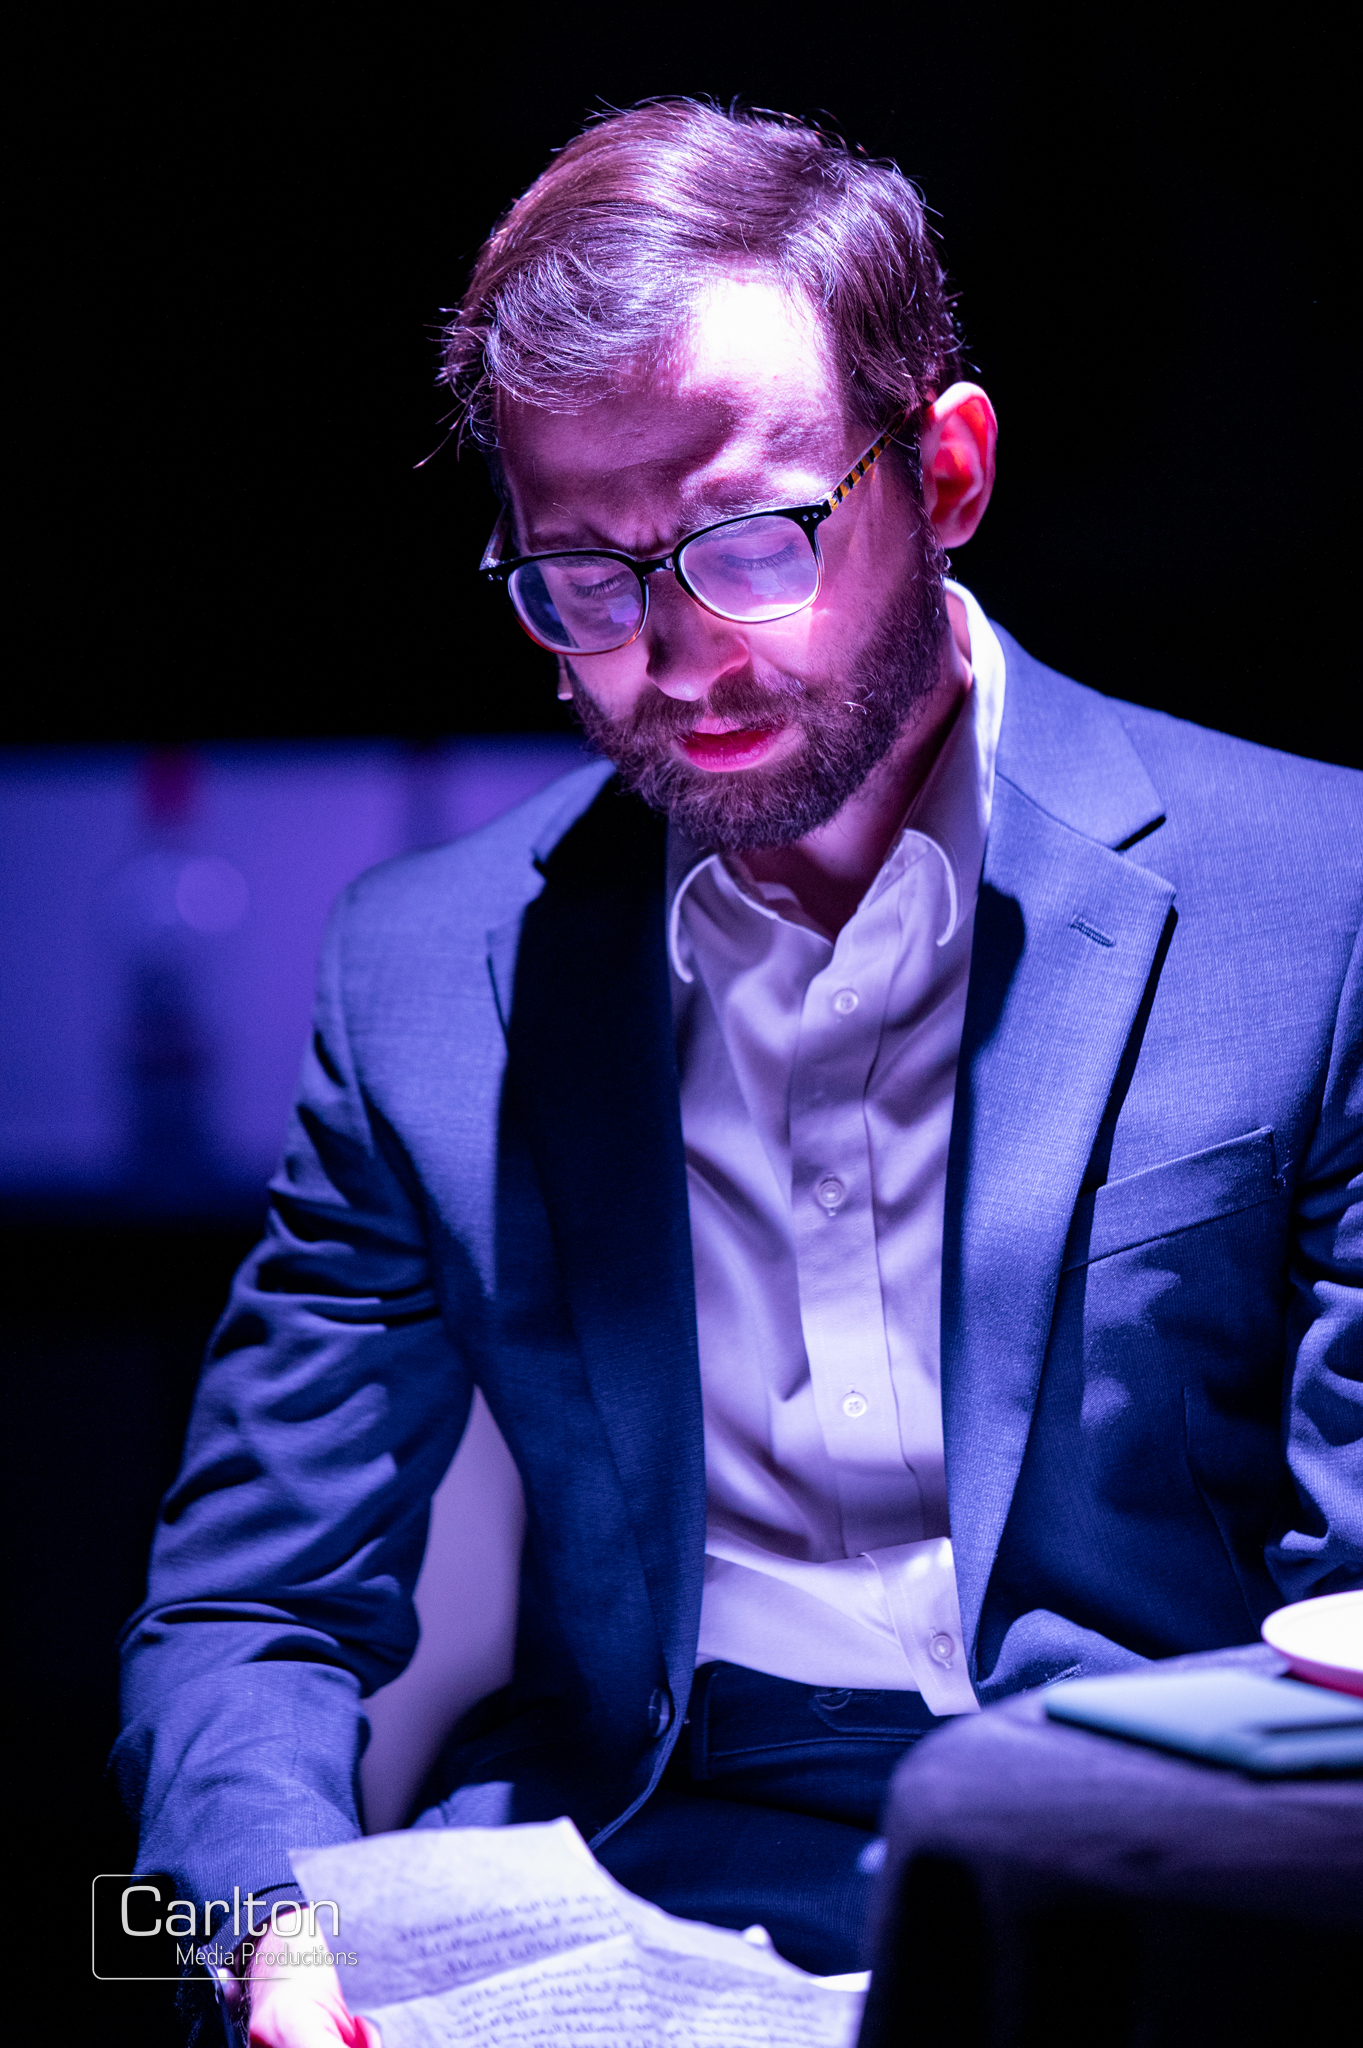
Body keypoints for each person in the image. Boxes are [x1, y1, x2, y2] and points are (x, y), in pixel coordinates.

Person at [114, 100, 1362, 2044]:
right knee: (121, 1966)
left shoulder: (1320, 903)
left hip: (1130, 1881)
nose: (675, 655)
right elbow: (247, 1600)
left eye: (751, 542)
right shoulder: (428, 970)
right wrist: (249, 1933)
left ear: (947, 472)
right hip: (618, 1872)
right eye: (584, 577)